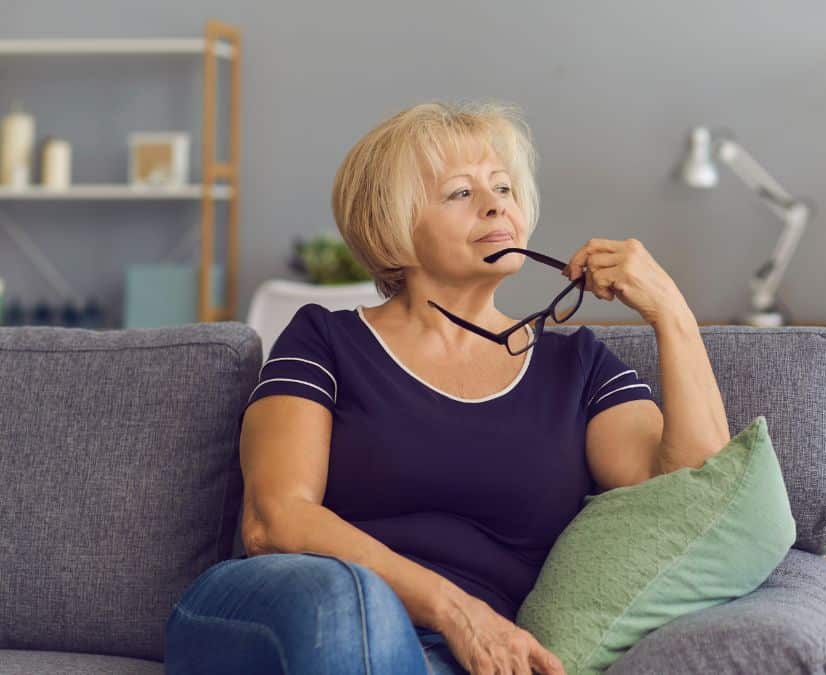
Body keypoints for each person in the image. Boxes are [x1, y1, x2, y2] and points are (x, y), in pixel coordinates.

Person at [164, 100, 730, 674]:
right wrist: (457, 611)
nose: (494, 205)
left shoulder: (577, 367)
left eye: (503, 187)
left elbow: (698, 496)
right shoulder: (324, 339)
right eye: (460, 193)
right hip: (291, 611)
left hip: (447, 659)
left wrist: (671, 313)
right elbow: (275, 520)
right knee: (348, 601)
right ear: (393, 225)